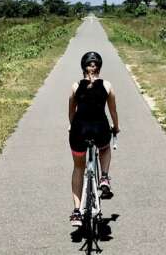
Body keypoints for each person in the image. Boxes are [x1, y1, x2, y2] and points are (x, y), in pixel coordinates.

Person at [68, 51, 119, 227]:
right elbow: (113, 111)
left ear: (83, 68)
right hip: (100, 129)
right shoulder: (107, 85)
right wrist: (116, 128)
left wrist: (72, 126)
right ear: (99, 67)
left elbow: (71, 112)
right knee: (104, 148)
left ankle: (77, 212)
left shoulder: (75, 86)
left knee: (78, 167)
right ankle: (104, 177)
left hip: (79, 131)